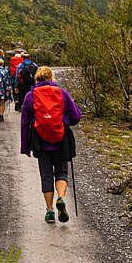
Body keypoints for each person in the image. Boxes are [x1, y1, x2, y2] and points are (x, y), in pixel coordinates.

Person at [20, 66, 81, 224]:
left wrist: (25, 147)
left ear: (37, 78)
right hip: (61, 140)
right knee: (61, 172)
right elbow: (76, 116)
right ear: (51, 77)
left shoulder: (30, 96)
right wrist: (65, 120)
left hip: (40, 141)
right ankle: (61, 198)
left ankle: (49, 211)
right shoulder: (62, 93)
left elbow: (25, 123)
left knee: (46, 175)